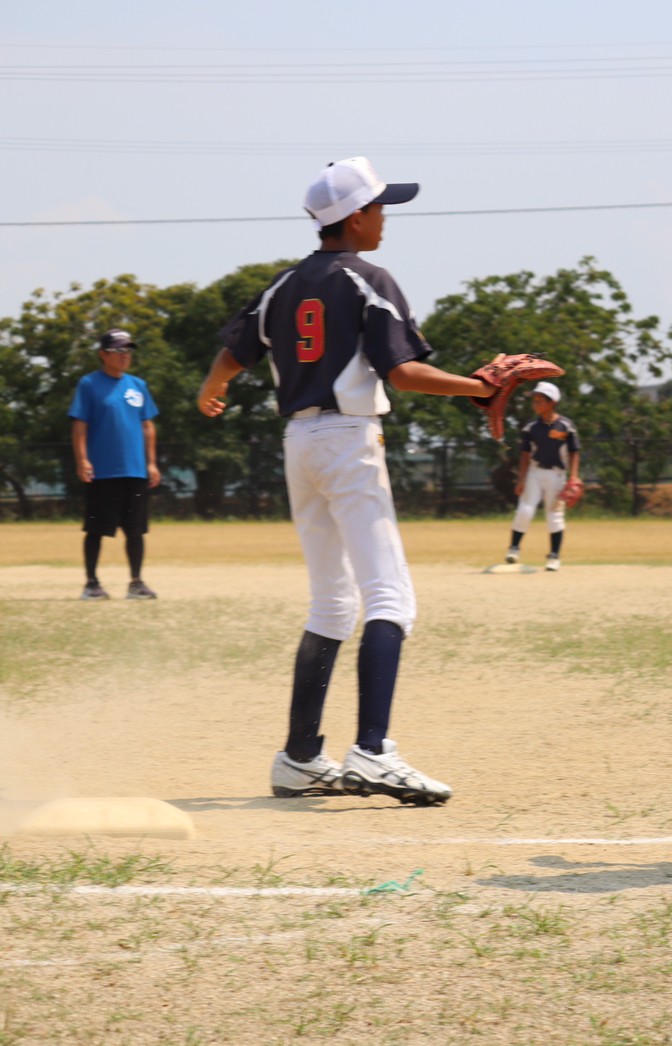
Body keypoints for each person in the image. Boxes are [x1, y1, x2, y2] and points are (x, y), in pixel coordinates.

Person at [197, 156, 497, 806]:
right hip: (347, 442)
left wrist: (213, 387)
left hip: (299, 444)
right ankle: (374, 751)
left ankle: (300, 758)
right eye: (381, 207)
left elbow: (235, 352)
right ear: (354, 217)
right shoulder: (369, 279)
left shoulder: (284, 284)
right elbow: (404, 373)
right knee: (390, 598)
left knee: (333, 603)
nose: (385, 218)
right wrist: (477, 387)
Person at [69, 328, 161, 601]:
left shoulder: (137, 385)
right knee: (96, 529)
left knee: (136, 530)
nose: (124, 355)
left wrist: (152, 463)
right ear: (103, 354)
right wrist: (82, 459)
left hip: (134, 469)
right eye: (118, 350)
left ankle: (136, 582)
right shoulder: (88, 384)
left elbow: (147, 425)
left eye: (128, 350)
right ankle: (91, 583)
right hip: (103, 470)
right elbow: (79, 424)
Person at [504, 380, 581, 571]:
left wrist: (574, 477)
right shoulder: (530, 427)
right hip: (535, 473)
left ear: (552, 402)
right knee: (525, 510)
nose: (535, 404)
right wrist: (521, 479)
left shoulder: (565, 426)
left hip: (557, 475)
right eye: (534, 401)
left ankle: (554, 556)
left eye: (540, 400)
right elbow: (524, 454)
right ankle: (514, 548)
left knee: (554, 514)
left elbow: (574, 452)